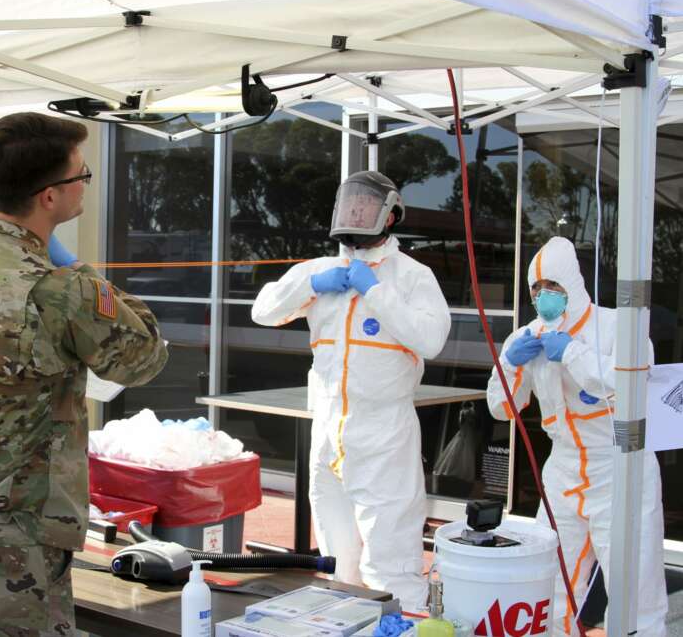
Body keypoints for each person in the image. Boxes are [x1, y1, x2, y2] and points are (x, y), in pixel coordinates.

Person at [0, 112, 168, 636]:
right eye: (82, 176)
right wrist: (83, 274)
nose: (85, 186)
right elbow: (144, 356)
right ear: (50, 196)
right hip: (11, 551)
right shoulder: (59, 290)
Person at [251, 171, 451, 610]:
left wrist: (375, 292)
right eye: (351, 206)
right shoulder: (320, 271)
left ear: (391, 215)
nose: (356, 215)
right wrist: (312, 286)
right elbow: (263, 310)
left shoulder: (412, 277)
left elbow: (430, 338)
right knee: (338, 560)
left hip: (383, 437)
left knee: (390, 562)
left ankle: (401, 623)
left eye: (366, 207)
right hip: (327, 435)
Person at [487, 236, 667, 636]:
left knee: (633, 582)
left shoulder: (617, 325)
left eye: (552, 286)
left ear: (573, 282)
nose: (543, 296)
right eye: (535, 289)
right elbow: (502, 408)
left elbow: (634, 381)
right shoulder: (526, 337)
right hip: (563, 467)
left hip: (619, 466)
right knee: (550, 574)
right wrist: (509, 365)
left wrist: (572, 353)